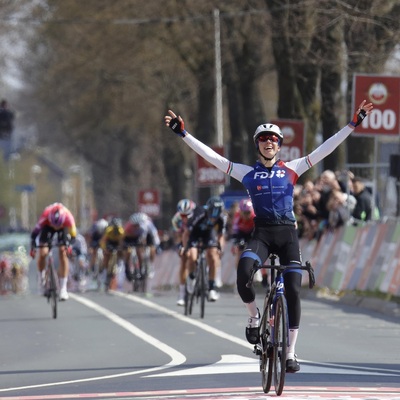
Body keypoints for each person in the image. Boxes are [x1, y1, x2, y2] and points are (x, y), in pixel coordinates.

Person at [164, 100, 373, 372]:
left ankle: (291, 353)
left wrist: (353, 124)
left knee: (295, 290)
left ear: (279, 145)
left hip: (288, 235)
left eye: (273, 139)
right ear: (257, 144)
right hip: (261, 235)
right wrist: (183, 134)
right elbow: (214, 159)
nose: (268, 143)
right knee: (244, 273)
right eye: (263, 139)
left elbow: (326, 148)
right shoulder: (247, 172)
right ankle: (254, 318)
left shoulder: (293, 168)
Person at [182, 196, 227, 302]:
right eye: (212, 214)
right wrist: (186, 248)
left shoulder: (221, 218)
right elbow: (186, 234)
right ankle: (191, 277)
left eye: (216, 216)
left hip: (208, 234)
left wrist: (220, 249)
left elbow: (221, 236)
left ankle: (211, 288)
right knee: (192, 257)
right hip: (194, 234)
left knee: (213, 256)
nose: (213, 218)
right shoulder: (199, 214)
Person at [30, 202, 76, 301]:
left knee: (63, 252)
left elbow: (73, 236)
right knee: (43, 252)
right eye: (54, 225)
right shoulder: (45, 217)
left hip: (63, 229)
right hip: (47, 228)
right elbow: (34, 234)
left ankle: (63, 289)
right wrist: (34, 246)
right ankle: (41, 276)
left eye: (57, 226)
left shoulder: (68, 218)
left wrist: (69, 246)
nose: (56, 227)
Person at [171, 198, 197, 306]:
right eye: (183, 215)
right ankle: (182, 293)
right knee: (184, 258)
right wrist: (179, 247)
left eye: (187, 215)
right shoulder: (176, 219)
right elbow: (178, 236)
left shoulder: (197, 216)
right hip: (184, 238)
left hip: (196, 236)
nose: (185, 218)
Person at [122, 212, 161, 282]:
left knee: (149, 248)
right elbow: (123, 237)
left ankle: (149, 266)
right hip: (132, 237)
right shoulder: (128, 226)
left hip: (148, 236)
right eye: (134, 225)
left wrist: (156, 245)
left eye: (137, 225)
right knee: (128, 251)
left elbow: (154, 236)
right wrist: (123, 245)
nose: (136, 226)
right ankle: (127, 268)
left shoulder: (148, 225)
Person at [100, 217, 125, 289]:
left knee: (121, 253)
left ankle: (118, 264)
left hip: (117, 243)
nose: (116, 230)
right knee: (107, 255)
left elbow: (122, 242)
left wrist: (122, 249)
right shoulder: (109, 230)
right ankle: (105, 271)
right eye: (115, 228)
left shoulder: (121, 231)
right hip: (109, 242)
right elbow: (103, 241)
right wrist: (104, 249)